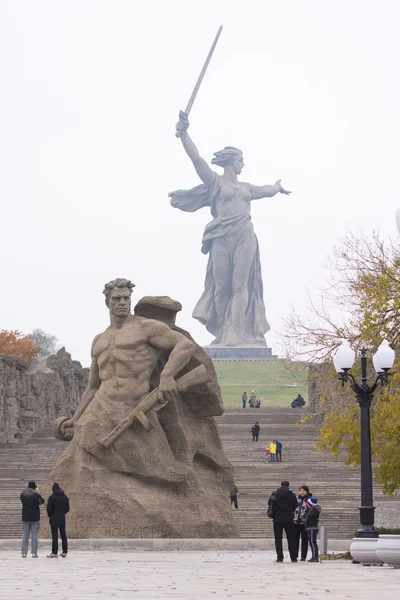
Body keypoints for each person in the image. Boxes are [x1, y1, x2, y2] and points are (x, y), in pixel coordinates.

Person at [170, 112, 291, 347]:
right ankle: (223, 331)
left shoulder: (246, 188)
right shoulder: (215, 183)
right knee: (221, 287)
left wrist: (277, 187)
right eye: (241, 159)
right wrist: (184, 134)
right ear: (230, 161)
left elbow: (266, 190)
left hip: (244, 236)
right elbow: (197, 160)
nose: (243, 163)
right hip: (221, 238)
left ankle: (235, 333)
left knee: (241, 285)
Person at [268, 480, 298, 562]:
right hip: (289, 519)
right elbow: (295, 505)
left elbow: (270, 503)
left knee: (278, 539)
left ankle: (280, 557)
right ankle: (293, 557)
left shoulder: (275, 494)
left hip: (277, 519)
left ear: (280, 485)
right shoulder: (292, 495)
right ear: (288, 486)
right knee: (291, 538)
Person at [20, 480, 44, 558]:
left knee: (25, 535)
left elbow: (22, 500)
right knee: (34, 536)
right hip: (35, 518)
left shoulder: (22, 494)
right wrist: (38, 493)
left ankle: (24, 552)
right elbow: (41, 502)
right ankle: (34, 553)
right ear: (34, 487)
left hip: (25, 517)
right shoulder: (36, 495)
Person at [46, 482, 70, 558]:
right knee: (63, 535)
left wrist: (51, 515)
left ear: (53, 489)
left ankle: (54, 552)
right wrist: (62, 513)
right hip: (62, 518)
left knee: (55, 536)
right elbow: (67, 508)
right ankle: (65, 551)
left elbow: (49, 509)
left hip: (54, 519)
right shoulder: (65, 497)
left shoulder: (52, 497)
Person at [293, 485, 312, 561]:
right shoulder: (295, 499)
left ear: (307, 492)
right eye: (300, 490)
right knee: (295, 540)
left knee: (305, 540)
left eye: (303, 491)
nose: (302, 492)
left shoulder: (309, 500)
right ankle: (295, 555)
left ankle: (303, 556)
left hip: (305, 523)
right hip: (295, 522)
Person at [304, 497, 321, 562]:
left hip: (312, 527)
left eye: (307, 504)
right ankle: (314, 556)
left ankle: (315, 556)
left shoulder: (313, 510)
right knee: (312, 542)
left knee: (313, 542)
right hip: (310, 527)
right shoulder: (312, 510)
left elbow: (308, 517)